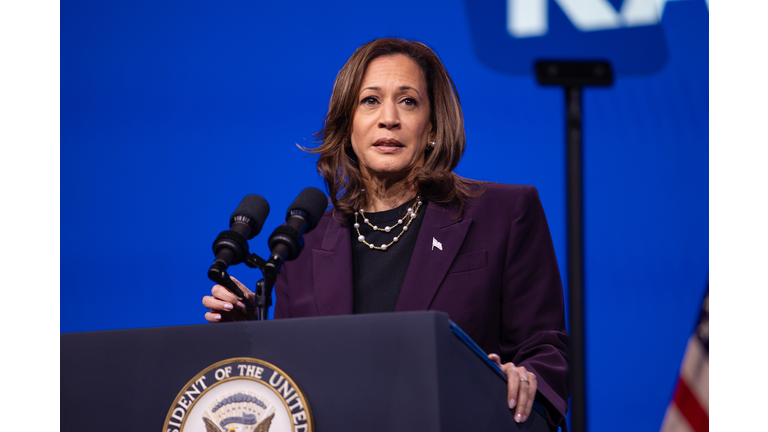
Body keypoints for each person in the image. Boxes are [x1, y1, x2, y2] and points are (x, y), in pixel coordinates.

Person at [202, 38, 569, 429]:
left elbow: (546, 349)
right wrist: (247, 336)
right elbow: (295, 386)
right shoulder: (302, 246)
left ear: (432, 127)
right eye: (370, 101)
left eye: (408, 101)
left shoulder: (503, 213)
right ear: (347, 127)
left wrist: (525, 379)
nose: (389, 118)